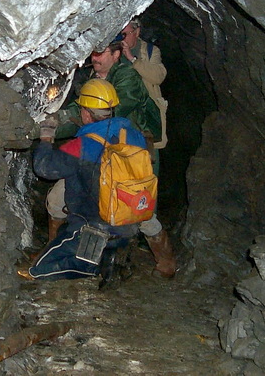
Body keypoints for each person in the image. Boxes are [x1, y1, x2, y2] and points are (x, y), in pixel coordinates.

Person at [46, 38, 176, 279]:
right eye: (92, 52)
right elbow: (81, 114)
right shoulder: (89, 79)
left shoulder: (127, 78)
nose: (94, 57)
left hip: (127, 157)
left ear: (116, 55)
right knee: (57, 200)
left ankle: (165, 261)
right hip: (94, 158)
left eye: (101, 52)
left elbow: (104, 114)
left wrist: (57, 123)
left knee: (140, 210)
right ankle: (55, 253)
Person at [25, 79, 144, 286]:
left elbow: (44, 168)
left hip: (91, 228)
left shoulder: (82, 145)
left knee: (39, 270)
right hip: (129, 223)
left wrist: (46, 137)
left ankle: (96, 265)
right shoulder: (134, 135)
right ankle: (111, 255)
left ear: (87, 114)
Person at [119, 18, 168, 150]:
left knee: (147, 159)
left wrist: (133, 60)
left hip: (146, 116)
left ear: (137, 32)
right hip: (122, 115)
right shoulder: (113, 51)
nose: (122, 39)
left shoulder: (150, 51)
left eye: (125, 34)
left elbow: (158, 76)